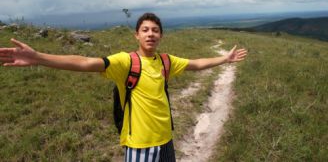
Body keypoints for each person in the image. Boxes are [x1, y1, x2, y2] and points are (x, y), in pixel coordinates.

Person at [0, 12, 247, 162]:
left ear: (161, 36)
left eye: (155, 30)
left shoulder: (166, 60)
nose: (151, 34)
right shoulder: (125, 62)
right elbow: (86, 62)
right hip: (139, 143)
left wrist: (224, 59)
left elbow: (196, 64)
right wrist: (39, 58)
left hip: (166, 140)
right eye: (145, 30)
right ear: (136, 36)